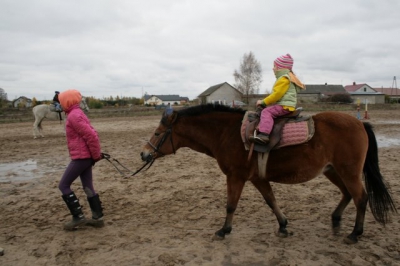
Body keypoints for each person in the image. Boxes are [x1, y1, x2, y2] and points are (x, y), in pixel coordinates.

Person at [58, 89, 105, 230]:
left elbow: (91, 136)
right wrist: (94, 156)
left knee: (63, 185)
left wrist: (96, 155)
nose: (60, 104)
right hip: (85, 157)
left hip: (81, 158)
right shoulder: (77, 114)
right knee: (88, 186)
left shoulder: (73, 116)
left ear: (67, 101)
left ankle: (78, 217)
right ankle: (98, 218)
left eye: (61, 101)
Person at [250, 53, 305, 144]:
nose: (273, 68)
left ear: (281, 68)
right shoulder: (288, 78)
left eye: (275, 66)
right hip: (287, 105)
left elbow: (276, 95)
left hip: (284, 106)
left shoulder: (284, 79)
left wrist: (263, 102)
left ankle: (264, 134)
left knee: (266, 112)